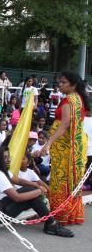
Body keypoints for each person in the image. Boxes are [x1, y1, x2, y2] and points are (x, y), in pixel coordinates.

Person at [0, 147, 72, 236]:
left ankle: (51, 223)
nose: (8, 160)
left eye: (9, 157)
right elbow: (17, 198)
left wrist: (36, 185)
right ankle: (51, 224)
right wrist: (39, 191)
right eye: (5, 158)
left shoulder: (0, 170)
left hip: (1, 206)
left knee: (31, 191)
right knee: (32, 193)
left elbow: (18, 180)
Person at [39, 71, 90, 225]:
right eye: (59, 82)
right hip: (72, 145)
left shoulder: (69, 100)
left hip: (65, 147)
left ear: (73, 85)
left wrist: (49, 143)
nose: (59, 85)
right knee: (70, 179)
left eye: (63, 82)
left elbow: (65, 124)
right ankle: (71, 213)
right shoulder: (78, 98)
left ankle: (61, 214)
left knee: (61, 179)